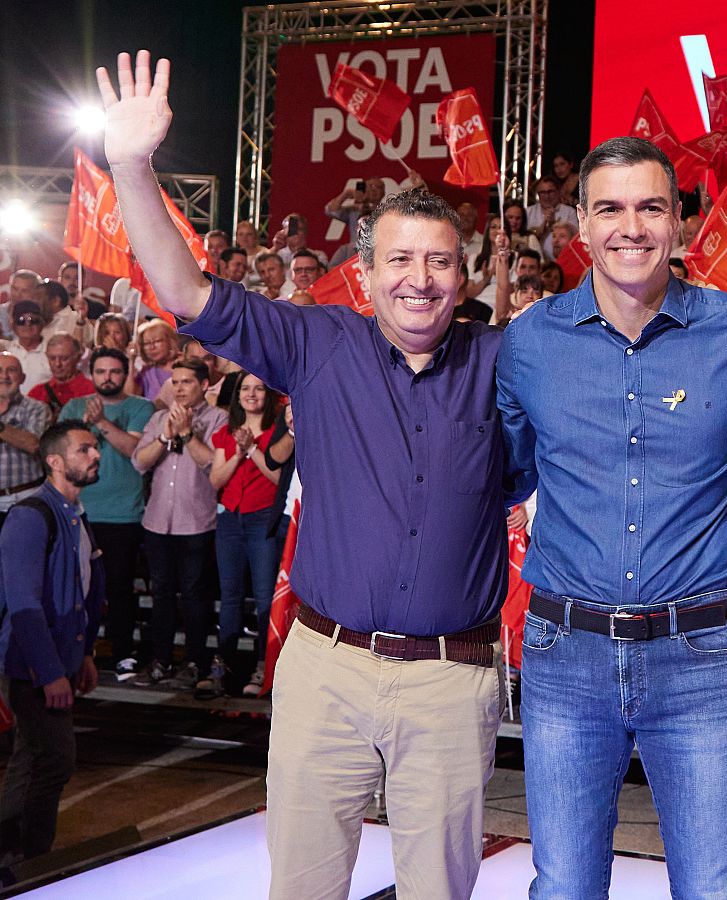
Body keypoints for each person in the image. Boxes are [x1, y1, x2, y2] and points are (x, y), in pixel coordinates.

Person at [100, 49, 508, 898]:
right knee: (303, 887)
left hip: (450, 678)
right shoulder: (317, 342)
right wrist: (131, 166)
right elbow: (180, 288)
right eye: (399, 261)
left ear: (462, 276)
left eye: (439, 262)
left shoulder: (508, 362)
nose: (420, 280)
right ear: (364, 275)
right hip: (327, 671)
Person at [498, 136, 727, 899]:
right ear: (580, 227)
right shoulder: (528, 341)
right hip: (564, 655)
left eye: (651, 207)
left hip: (699, 654)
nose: (632, 226)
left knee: (716, 887)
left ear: (680, 223)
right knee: (563, 889)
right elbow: (503, 475)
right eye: (610, 209)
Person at [0, 421, 104, 865]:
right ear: (55, 462)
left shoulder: (74, 515)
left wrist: (83, 655)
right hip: (33, 667)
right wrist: (50, 673)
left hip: (59, 662)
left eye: (95, 448)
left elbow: (82, 593)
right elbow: (24, 605)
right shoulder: (31, 516)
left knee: (33, 758)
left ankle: (15, 857)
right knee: (53, 760)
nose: (95, 455)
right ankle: (27, 858)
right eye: (85, 450)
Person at [59, 349, 153, 683]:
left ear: (125, 373)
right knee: (74, 587)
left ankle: (123, 653)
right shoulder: (73, 407)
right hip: (79, 511)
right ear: (92, 373)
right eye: (101, 371)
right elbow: (63, 455)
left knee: (118, 586)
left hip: (123, 514)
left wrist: (99, 423)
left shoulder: (141, 407)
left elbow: (134, 451)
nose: (107, 377)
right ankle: (75, 652)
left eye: (114, 371)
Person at [130, 360, 224, 689]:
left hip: (196, 521)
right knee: (162, 596)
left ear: (203, 385)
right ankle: (161, 660)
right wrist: (166, 436)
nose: (180, 388)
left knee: (196, 596)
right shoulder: (158, 418)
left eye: (187, 381)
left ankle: (195, 662)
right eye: (175, 381)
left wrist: (187, 434)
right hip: (157, 521)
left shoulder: (217, 418)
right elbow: (139, 462)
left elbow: (214, 462)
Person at [203, 372, 283, 699]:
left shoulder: (280, 433)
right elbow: (215, 480)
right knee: (230, 595)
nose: (251, 394)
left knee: (265, 597)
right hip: (230, 520)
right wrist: (238, 451)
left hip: (264, 519)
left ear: (269, 394)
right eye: (245, 389)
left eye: (259, 388)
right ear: (236, 396)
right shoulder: (226, 433)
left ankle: (265, 666)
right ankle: (224, 665)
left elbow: (278, 479)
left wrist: (252, 450)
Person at [0, 353, 49, 524]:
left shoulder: (37, 408)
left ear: (22, 378)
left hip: (27, 498)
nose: (4, 376)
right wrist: (13, 434)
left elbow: (33, 444)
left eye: (11, 370)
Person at [27, 335, 94, 414]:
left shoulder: (92, 391)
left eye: (64, 358)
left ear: (78, 358)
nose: (57, 364)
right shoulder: (37, 393)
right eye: (52, 358)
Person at [2, 301, 50, 393]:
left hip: (45, 406)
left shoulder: (52, 352)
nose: (27, 324)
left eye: (33, 320)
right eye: (21, 321)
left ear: (42, 323)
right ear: (13, 325)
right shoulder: (6, 351)